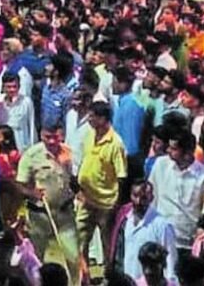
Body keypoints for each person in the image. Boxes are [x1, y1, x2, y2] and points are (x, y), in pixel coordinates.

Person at [16, 124, 80, 285]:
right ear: (41, 135)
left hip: (65, 213)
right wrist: (32, 193)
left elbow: (75, 179)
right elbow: (19, 184)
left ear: (62, 135)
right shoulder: (31, 156)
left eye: (55, 137)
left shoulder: (69, 153)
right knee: (36, 259)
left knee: (73, 257)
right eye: (47, 137)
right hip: (39, 216)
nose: (51, 141)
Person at [76, 101, 127, 273]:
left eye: (93, 116)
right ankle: (84, 276)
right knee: (79, 239)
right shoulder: (89, 135)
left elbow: (121, 176)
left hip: (106, 204)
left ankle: (108, 277)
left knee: (107, 244)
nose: (89, 119)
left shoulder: (116, 143)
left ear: (103, 119)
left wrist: (115, 204)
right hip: (86, 199)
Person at [148, 129, 204, 253]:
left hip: (186, 243)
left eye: (173, 149)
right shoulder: (161, 165)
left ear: (187, 153)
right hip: (159, 237)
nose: (168, 151)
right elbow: (152, 197)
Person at [108, 180, 177, 282]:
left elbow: (170, 259)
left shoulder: (161, 225)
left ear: (151, 198)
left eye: (144, 197)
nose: (138, 201)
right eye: (135, 196)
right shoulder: (125, 220)